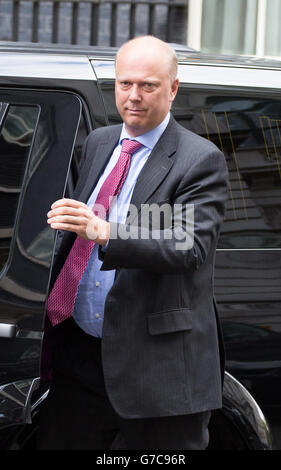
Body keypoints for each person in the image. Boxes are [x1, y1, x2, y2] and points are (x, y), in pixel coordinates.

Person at [37, 35, 229, 450]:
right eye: (125, 84)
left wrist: (104, 231)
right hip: (82, 356)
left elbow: (187, 245)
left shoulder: (200, 159)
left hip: (155, 368)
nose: (134, 97)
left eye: (148, 85)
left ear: (173, 88)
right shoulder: (100, 143)